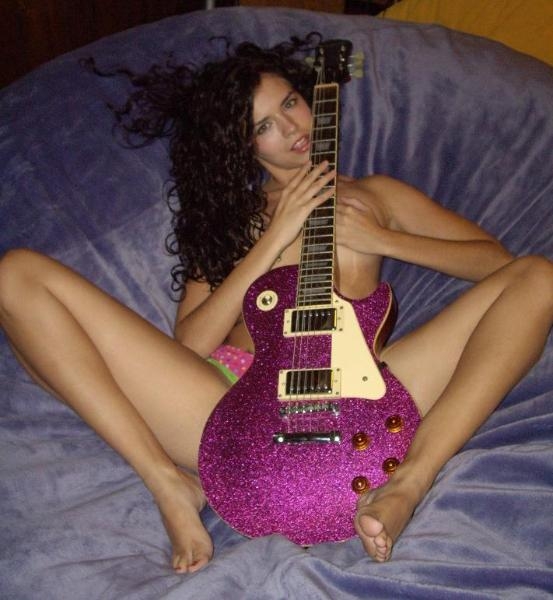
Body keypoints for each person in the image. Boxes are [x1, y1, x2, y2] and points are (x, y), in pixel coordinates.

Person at [0, 37, 552, 574]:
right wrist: (273, 236)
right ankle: (167, 482)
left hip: (363, 385)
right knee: (16, 276)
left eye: (289, 103)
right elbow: (190, 344)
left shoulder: (376, 195)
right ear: (244, 146)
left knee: (539, 278)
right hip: (231, 401)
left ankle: (410, 480)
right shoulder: (232, 217)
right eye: (263, 125)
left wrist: (385, 240)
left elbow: (496, 262)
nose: (290, 128)